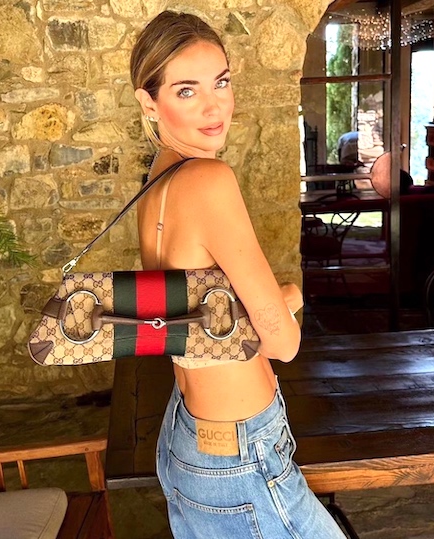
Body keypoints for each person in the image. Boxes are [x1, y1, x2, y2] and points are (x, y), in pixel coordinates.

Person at [131, 11, 346, 538]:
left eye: (221, 82)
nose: (214, 106)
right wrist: (287, 295)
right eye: (186, 90)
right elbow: (283, 343)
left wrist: (267, 302)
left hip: (188, 435)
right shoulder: (209, 179)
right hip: (240, 451)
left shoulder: (156, 180)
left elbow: (196, 316)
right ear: (149, 102)